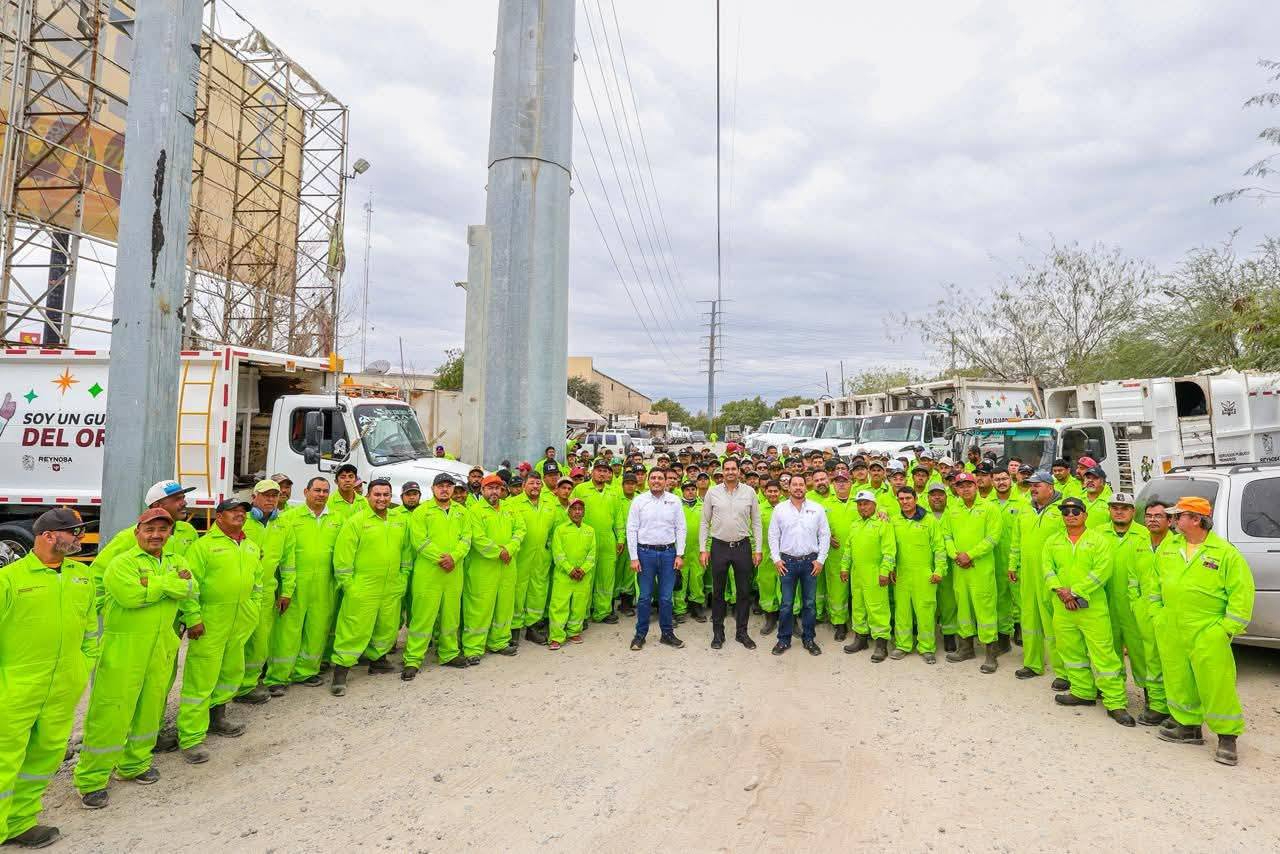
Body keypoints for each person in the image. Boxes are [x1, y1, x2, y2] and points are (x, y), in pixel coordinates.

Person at [74, 509, 195, 807]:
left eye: (163, 530)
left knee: (149, 708)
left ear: (169, 533)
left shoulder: (176, 560)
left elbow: (191, 588)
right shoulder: (122, 563)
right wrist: (170, 586)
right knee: (111, 712)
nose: (157, 535)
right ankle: (91, 780)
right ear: (138, 531)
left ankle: (134, 765)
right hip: (124, 647)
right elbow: (129, 596)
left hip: (160, 645)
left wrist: (154, 586)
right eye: (150, 529)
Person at [0, 509, 96, 849]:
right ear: (48, 536)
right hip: (16, 686)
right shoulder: (9, 579)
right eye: (73, 532)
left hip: (63, 686)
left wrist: (83, 665)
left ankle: (20, 821)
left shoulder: (82, 577)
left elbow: (90, 631)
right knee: (4, 758)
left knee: (48, 754)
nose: (79, 538)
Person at [1151, 496, 1255, 766]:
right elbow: (1154, 582)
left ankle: (1227, 738)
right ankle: (1188, 727)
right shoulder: (1169, 547)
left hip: (1208, 629)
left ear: (1196, 519)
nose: (1172, 521)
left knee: (1215, 683)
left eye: (1178, 516)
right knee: (1178, 677)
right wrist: (1157, 613)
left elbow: (1241, 595)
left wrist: (1225, 629)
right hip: (1171, 625)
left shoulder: (1225, 553)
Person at [177, 499, 263, 764]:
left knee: (230, 671)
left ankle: (218, 718)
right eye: (233, 512)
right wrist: (193, 618)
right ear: (219, 516)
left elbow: (257, 582)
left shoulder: (249, 546)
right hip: (211, 620)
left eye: (243, 512)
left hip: (240, 620)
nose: (239, 515)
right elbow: (190, 586)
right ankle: (191, 737)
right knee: (201, 677)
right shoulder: (203, 547)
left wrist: (253, 609)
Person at [1042, 497, 1136, 727]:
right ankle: (1082, 691)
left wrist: (1075, 591)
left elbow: (1102, 571)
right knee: (1071, 651)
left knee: (1103, 654)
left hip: (1092, 607)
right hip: (1062, 607)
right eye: (1065, 512)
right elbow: (1047, 569)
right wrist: (1060, 591)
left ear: (1085, 515)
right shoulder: (1052, 541)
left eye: (1075, 511)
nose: (1070, 515)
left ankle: (1115, 702)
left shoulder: (1098, 541)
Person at [329, 480, 411, 696]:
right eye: (377, 494)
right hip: (363, 585)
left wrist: (402, 578)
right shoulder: (357, 521)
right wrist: (349, 585)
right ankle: (341, 671)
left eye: (386, 495)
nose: (382, 499)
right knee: (354, 628)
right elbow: (343, 556)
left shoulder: (399, 520)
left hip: (392, 584)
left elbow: (406, 552)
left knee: (386, 626)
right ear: (367, 496)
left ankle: (378, 659)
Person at [265, 476, 343, 689]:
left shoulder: (337, 519)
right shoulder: (289, 518)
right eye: (317, 490)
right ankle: (278, 676)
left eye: (325, 491)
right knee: (288, 631)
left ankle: (306, 671)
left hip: (324, 584)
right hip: (296, 584)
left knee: (317, 629)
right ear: (306, 492)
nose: (321, 495)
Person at [402, 474, 472, 676]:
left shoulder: (461, 512)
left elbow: (466, 538)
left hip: (453, 572)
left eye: (449, 486)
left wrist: (455, 557)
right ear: (432, 489)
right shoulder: (422, 512)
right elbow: (419, 540)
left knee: (450, 616)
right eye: (440, 486)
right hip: (429, 573)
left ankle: (449, 653)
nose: (445, 489)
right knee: (423, 617)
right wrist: (441, 559)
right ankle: (413, 659)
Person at [699, 457, 763, 650]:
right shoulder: (713, 492)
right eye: (726, 469)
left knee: (743, 592)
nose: (730, 472)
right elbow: (704, 522)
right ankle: (718, 634)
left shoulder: (749, 492)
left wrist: (757, 549)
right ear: (722, 472)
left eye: (733, 469)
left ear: (739, 471)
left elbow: (757, 522)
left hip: (742, 547)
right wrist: (704, 549)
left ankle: (742, 633)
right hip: (719, 547)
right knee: (718, 593)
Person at [1009, 472, 1066, 684]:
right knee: (1029, 618)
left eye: (1037, 485)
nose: (1032, 489)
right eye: (1030, 486)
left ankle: (1062, 671)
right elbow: (1016, 540)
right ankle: (1032, 663)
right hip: (1027, 573)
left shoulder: (1060, 511)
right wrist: (1012, 564)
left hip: (1050, 574)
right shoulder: (1025, 509)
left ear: (1050, 487)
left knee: (1053, 623)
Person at [942, 472, 1003, 673]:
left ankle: (990, 654)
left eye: (969, 484)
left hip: (981, 569)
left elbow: (993, 537)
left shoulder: (989, 508)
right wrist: (955, 555)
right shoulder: (952, 509)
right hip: (960, 569)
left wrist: (971, 555)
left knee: (985, 609)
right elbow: (946, 536)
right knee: (963, 609)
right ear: (956, 489)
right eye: (961, 486)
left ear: (976, 486)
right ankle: (965, 648)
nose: (965, 489)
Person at [463, 474, 526, 663]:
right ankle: (473, 647)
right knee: (479, 607)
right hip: (484, 568)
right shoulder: (474, 511)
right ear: (482, 490)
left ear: (502, 490)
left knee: (504, 605)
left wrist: (510, 548)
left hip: (507, 566)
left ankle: (499, 641)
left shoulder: (510, 508)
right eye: (490, 488)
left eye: (498, 488)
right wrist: (498, 552)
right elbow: (477, 538)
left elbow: (521, 530)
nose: (494, 492)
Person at [1101, 493, 1156, 711]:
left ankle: (1150, 694)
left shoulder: (1145, 535)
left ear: (1133, 511)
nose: (1119, 511)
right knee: (1108, 651)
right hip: (1106, 604)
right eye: (1115, 507)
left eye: (1124, 507)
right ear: (1109, 510)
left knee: (1141, 652)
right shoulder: (1097, 534)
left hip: (1134, 606)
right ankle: (1114, 693)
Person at [236, 479, 287, 704]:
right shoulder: (242, 522)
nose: (270, 500)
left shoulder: (282, 525)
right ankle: (231, 685)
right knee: (238, 641)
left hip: (267, 592)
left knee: (260, 641)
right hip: (243, 593)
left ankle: (248, 685)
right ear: (254, 497)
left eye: (274, 496)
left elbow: (289, 560)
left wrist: (287, 590)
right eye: (266, 495)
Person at [767, 474, 829, 656]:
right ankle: (783, 639)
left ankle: (809, 639)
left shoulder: (817, 509)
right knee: (786, 604)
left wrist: (820, 559)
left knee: (809, 604)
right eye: (794, 484)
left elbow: (824, 534)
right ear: (788, 488)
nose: (798, 487)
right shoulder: (779, 509)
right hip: (787, 563)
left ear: (806, 487)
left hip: (810, 563)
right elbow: (773, 535)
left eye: (801, 484)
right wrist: (776, 559)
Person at [626, 468, 686, 650]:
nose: (656, 481)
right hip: (645, 554)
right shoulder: (639, 501)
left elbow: (680, 528)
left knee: (666, 598)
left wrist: (679, 554)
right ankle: (640, 635)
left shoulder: (674, 501)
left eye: (660, 478)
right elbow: (631, 529)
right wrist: (634, 557)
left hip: (668, 554)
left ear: (666, 481)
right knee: (644, 597)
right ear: (647, 481)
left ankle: (667, 634)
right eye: (653, 478)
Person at [891, 486, 946, 663]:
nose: (905, 502)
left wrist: (939, 570)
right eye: (901, 499)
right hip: (902, 574)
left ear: (915, 499)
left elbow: (939, 548)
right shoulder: (894, 521)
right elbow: (889, 548)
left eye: (908, 498)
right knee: (902, 612)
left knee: (925, 612)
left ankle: (927, 647)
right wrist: (890, 568)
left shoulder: (929, 521)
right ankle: (903, 645)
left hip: (924, 574)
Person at [1132, 501, 1174, 726]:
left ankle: (1175, 706)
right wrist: (1135, 603)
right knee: (1151, 659)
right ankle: (1157, 705)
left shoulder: (1177, 545)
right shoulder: (1139, 544)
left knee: (1171, 661)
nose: (1152, 520)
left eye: (1159, 516)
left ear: (1170, 521)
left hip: (1169, 614)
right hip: (1144, 611)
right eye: (1148, 516)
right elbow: (1132, 578)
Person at [842, 490, 897, 662]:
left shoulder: (883, 523)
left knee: (877, 608)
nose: (862, 507)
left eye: (866, 503)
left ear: (874, 505)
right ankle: (861, 638)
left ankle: (881, 644)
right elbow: (848, 548)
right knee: (858, 606)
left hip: (875, 573)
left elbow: (889, 550)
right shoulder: (855, 524)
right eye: (859, 504)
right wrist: (844, 567)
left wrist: (884, 571)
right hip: (856, 573)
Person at [507, 473, 558, 647]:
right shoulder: (512, 504)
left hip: (541, 557)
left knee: (538, 591)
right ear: (523, 486)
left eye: (538, 483)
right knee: (518, 591)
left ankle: (532, 627)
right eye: (531, 483)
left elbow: (554, 530)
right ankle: (514, 629)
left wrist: (548, 548)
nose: (535, 486)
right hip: (520, 555)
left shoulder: (550, 504)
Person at [572, 462, 625, 623]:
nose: (602, 474)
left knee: (606, 577)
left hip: (608, 540)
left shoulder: (614, 492)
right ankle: (583, 614)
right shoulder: (580, 489)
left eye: (605, 471)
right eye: (599, 470)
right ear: (592, 472)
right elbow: (571, 511)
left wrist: (620, 538)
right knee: (586, 578)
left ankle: (602, 611)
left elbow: (619, 517)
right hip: (586, 539)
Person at [547, 498, 596, 650]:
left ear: (584, 512)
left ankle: (574, 631)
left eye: (580, 509)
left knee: (579, 605)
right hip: (564, 576)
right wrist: (569, 569)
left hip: (583, 575)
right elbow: (558, 553)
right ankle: (556, 637)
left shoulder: (590, 530)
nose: (577, 512)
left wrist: (583, 569)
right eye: (574, 509)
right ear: (568, 511)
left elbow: (592, 553)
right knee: (559, 606)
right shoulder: (560, 530)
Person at [822, 473, 857, 641]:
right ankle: (840, 623)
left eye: (845, 481)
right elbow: (816, 527)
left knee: (858, 591)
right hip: (835, 554)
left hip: (858, 554)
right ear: (832, 484)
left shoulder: (859, 501)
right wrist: (827, 538)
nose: (841, 484)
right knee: (837, 590)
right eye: (838, 481)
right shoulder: (825, 504)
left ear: (851, 483)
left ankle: (860, 625)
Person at [756, 479, 785, 636]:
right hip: (766, 555)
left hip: (785, 555)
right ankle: (770, 618)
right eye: (770, 491)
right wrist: (756, 551)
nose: (773, 494)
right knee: (766, 586)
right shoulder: (758, 509)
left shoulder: (787, 508)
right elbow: (752, 531)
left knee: (787, 587)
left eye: (776, 491)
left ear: (780, 492)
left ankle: (790, 620)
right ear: (765, 492)